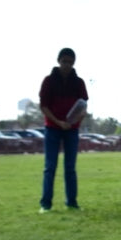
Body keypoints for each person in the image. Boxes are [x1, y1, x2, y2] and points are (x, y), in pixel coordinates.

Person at [38, 47, 88, 212]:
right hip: (52, 128)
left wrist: (75, 121)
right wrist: (58, 122)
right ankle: (46, 204)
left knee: (70, 168)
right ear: (58, 61)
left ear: (74, 62)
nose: (67, 65)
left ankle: (72, 203)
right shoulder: (49, 81)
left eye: (70, 62)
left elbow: (83, 107)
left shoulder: (79, 82)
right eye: (64, 61)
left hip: (72, 130)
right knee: (50, 167)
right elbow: (43, 106)